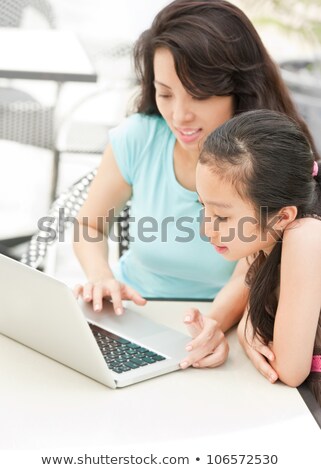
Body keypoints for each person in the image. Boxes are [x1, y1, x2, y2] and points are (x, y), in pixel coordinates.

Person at [73, 0, 319, 370]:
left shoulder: (266, 158)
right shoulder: (139, 137)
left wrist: (215, 325)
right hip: (135, 315)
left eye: (199, 95)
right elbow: (90, 224)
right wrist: (101, 276)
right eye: (166, 93)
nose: (179, 115)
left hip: (226, 322)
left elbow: (255, 268)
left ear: (239, 88)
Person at [197, 109, 321, 404]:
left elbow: (289, 370)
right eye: (202, 206)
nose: (206, 228)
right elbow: (248, 283)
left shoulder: (306, 235)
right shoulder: (267, 238)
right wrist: (228, 325)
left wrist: (247, 326)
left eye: (223, 217)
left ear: (282, 216)